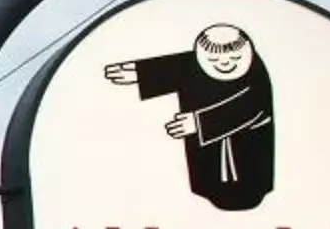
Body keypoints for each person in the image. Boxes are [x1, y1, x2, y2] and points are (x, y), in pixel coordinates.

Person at [103, 24, 274, 211]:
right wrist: (141, 73)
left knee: (248, 179)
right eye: (213, 58)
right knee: (207, 176)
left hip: (249, 155)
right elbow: (178, 66)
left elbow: (250, 107)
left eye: (234, 57)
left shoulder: (257, 73)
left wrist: (198, 123)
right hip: (207, 160)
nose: (225, 63)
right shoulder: (195, 64)